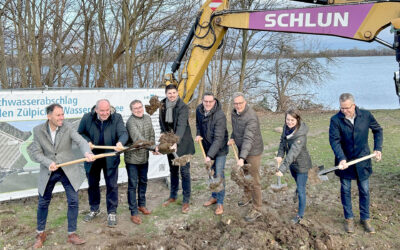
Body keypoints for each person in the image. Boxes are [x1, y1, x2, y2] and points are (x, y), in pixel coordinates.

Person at [28, 104, 95, 248]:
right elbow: (35, 152)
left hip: (68, 170)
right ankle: (40, 234)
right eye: (58, 115)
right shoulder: (38, 130)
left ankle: (72, 234)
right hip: (49, 170)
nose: (62, 118)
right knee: (43, 202)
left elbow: (81, 141)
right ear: (49, 116)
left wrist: (87, 152)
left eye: (62, 114)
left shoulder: (68, 127)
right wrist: (48, 162)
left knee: (73, 201)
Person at [329, 93, 383, 234]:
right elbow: (334, 141)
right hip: (344, 162)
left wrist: (378, 148)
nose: (344, 111)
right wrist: (341, 157)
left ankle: (365, 218)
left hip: (363, 160)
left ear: (353, 105)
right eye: (342, 108)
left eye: (347, 108)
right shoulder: (335, 120)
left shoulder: (365, 115)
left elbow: (378, 130)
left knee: (364, 190)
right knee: (345, 190)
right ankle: (349, 219)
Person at [78, 99, 128, 227]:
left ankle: (112, 212)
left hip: (109, 157)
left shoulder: (116, 118)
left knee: (112, 185)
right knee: (93, 185)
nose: (105, 113)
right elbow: (80, 133)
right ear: (96, 110)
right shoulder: (87, 118)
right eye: (102, 111)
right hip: (92, 157)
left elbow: (123, 133)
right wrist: (87, 141)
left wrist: (120, 143)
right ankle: (94, 209)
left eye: (107, 110)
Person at [159, 84, 195, 214]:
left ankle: (186, 200)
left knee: (184, 172)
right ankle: (173, 196)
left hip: (183, 143)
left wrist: (176, 141)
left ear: (177, 93)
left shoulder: (183, 107)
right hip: (170, 141)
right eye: (169, 93)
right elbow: (161, 121)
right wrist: (163, 133)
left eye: (174, 93)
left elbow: (181, 125)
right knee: (173, 170)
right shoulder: (162, 105)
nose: (172, 95)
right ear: (166, 94)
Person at [228, 92, 264, 222]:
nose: (238, 106)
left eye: (240, 103)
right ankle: (247, 195)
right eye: (236, 103)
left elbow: (248, 138)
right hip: (241, 148)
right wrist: (232, 137)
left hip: (253, 151)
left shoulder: (251, 117)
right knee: (245, 176)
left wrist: (242, 158)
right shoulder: (234, 113)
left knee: (254, 180)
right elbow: (237, 128)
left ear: (245, 102)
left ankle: (257, 208)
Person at [275, 109, 312, 224]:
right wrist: (280, 155)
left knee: (301, 190)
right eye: (287, 119)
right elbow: (282, 142)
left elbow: (292, 153)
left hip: (302, 165)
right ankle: (298, 188)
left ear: (297, 120)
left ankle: (300, 215)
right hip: (292, 166)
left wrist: (282, 169)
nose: (289, 122)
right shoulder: (286, 128)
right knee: (298, 184)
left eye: (292, 120)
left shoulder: (300, 135)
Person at [195, 92, 229, 215]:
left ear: (214, 102)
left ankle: (220, 203)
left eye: (210, 101)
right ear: (202, 101)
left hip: (220, 149)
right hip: (207, 146)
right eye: (206, 101)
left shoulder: (220, 115)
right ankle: (214, 196)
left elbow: (219, 138)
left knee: (218, 174)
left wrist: (209, 156)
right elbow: (198, 125)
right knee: (211, 173)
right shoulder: (199, 110)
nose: (208, 103)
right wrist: (198, 134)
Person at [125, 100, 155, 225]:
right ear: (131, 110)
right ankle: (133, 212)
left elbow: (152, 135)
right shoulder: (130, 122)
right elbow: (139, 140)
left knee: (143, 181)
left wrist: (153, 145)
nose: (138, 109)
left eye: (140, 107)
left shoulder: (148, 118)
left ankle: (141, 205)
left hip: (144, 157)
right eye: (135, 108)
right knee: (133, 184)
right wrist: (154, 148)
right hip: (132, 159)